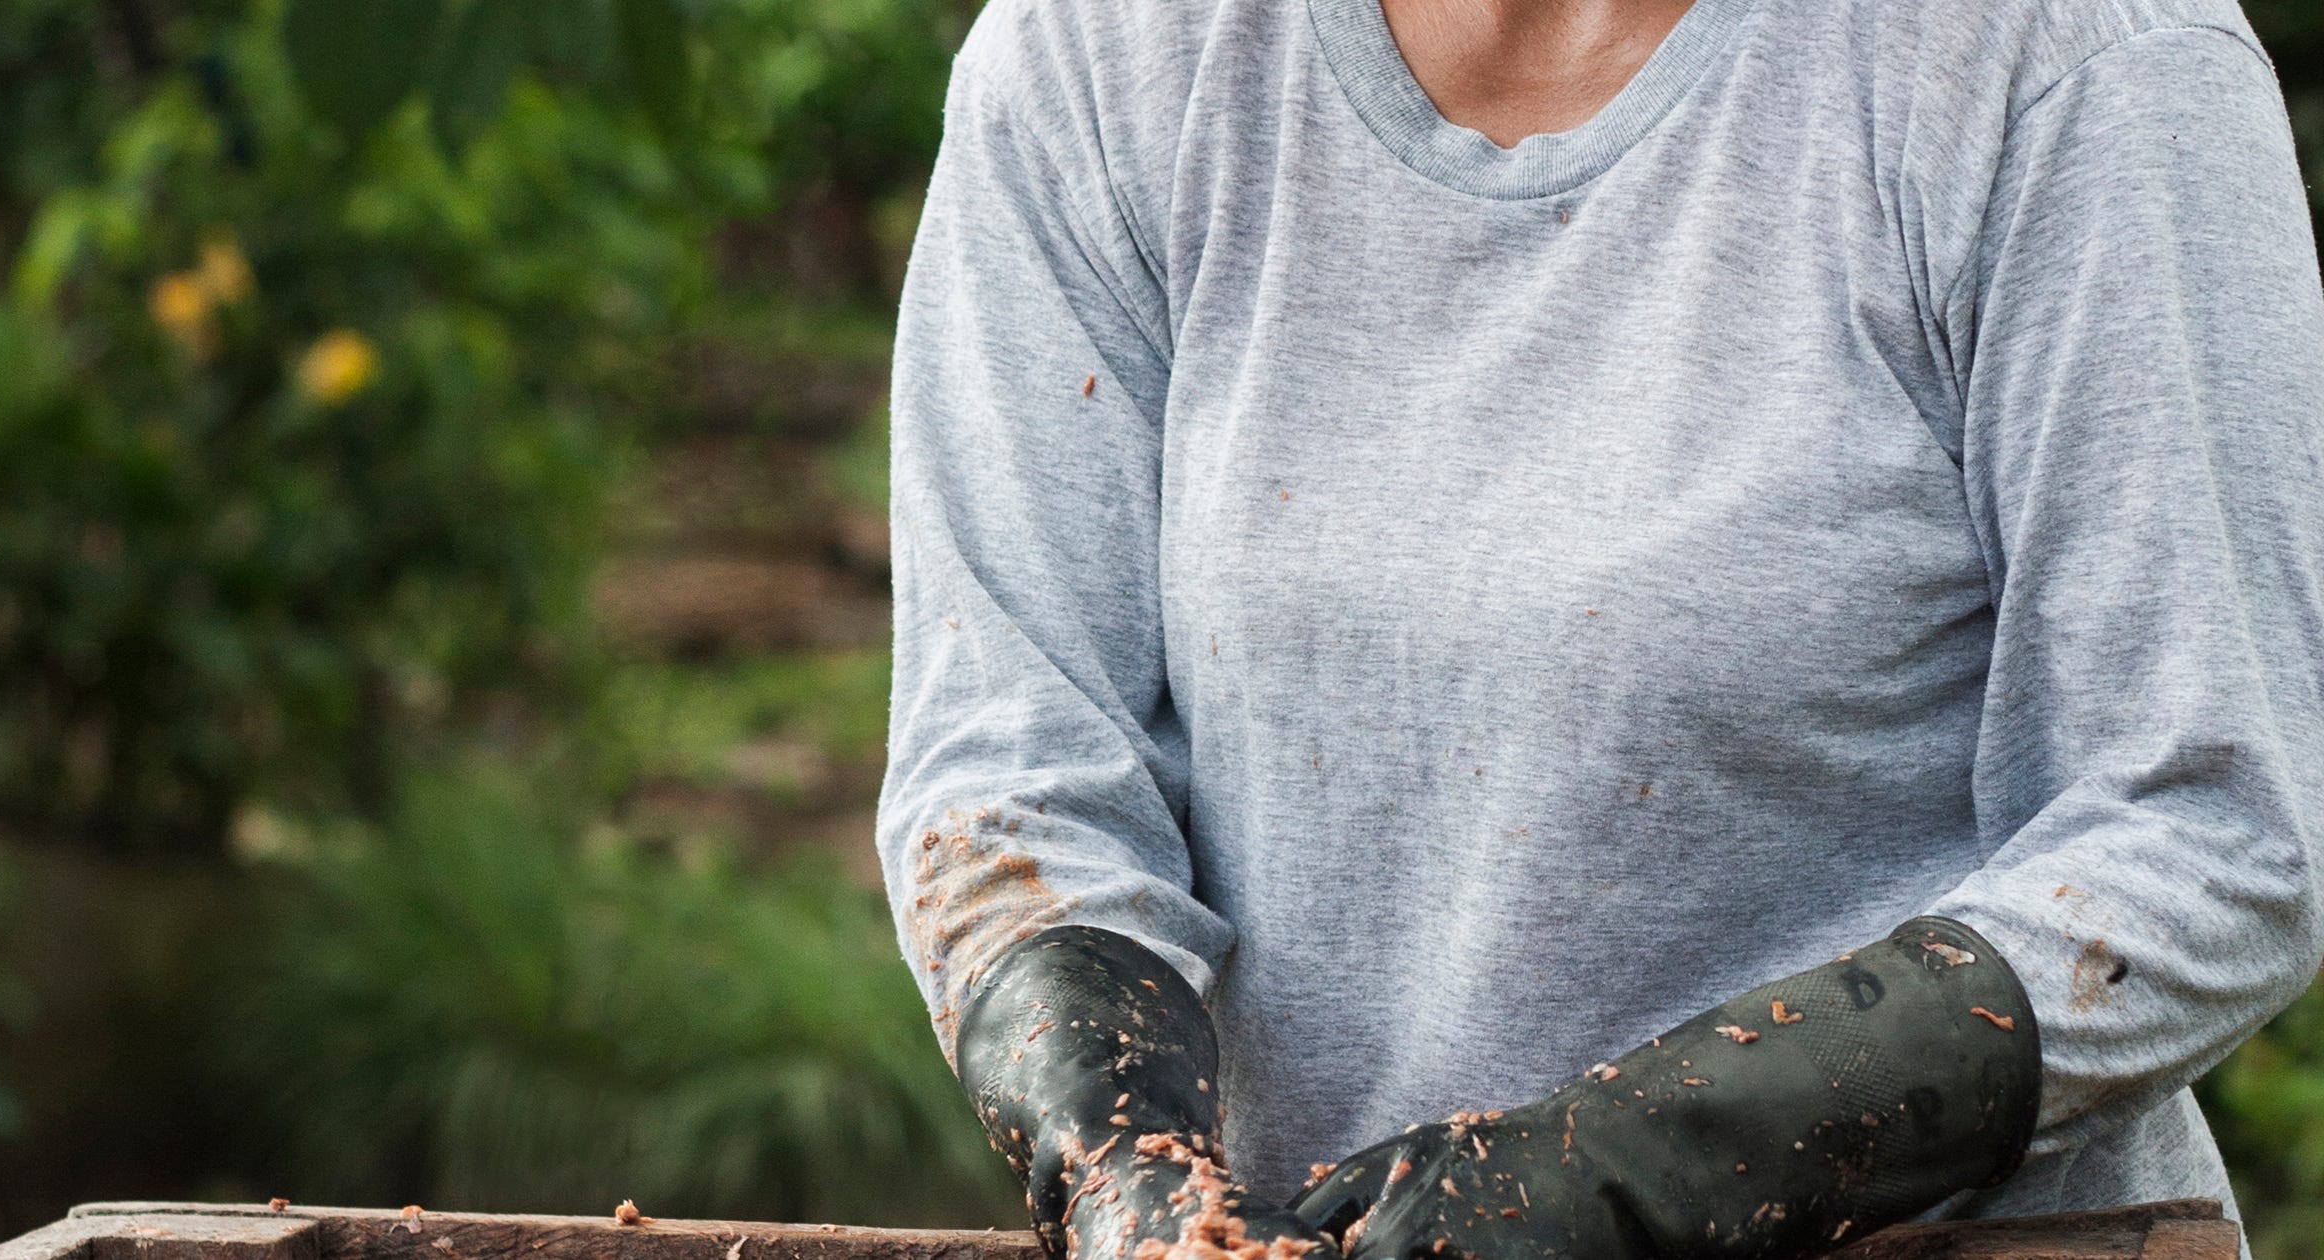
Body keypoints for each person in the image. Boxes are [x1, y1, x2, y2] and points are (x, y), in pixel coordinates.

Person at [873, 0, 2324, 1255]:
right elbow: (1015, 759)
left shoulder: (2073, 61)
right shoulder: (1108, 56)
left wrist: (1613, 1178)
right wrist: (1135, 1187)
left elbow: (2207, 833)